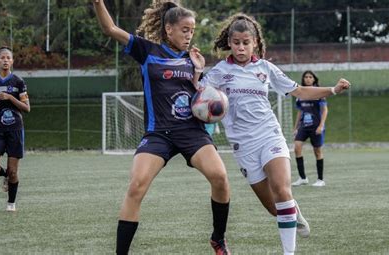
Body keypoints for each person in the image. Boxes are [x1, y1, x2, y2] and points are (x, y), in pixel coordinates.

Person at [191, 13, 350, 254]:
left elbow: (300, 91)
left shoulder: (266, 68)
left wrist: (333, 89)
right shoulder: (221, 71)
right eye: (236, 42)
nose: (241, 47)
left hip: (269, 135)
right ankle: (294, 212)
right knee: (275, 209)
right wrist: (198, 71)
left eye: (246, 42)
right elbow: (198, 93)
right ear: (229, 43)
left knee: (283, 190)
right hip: (243, 145)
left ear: (255, 42)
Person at [92, 1, 231, 254]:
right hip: (159, 133)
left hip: (191, 132)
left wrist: (199, 73)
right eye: (185, 29)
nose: (189, 35)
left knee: (220, 178)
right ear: (169, 29)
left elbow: (201, 97)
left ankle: (218, 239)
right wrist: (98, 3)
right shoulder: (148, 51)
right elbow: (110, 28)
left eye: (192, 30)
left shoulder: (194, 59)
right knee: (136, 186)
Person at [0, 46, 30, 212]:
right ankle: (3, 175)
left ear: (12, 61)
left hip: (15, 130)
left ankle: (11, 203)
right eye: (2, 58)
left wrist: (11, 97)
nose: (5, 60)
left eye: (8, 58)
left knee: (13, 172)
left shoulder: (18, 82)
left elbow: (27, 108)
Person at [291, 70, 328, 187]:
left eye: (310, 77)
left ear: (314, 79)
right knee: (297, 147)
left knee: (317, 151)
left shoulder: (318, 93)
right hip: (303, 126)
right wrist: (295, 127)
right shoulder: (300, 94)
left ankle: (320, 179)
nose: (308, 79)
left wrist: (321, 125)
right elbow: (300, 111)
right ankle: (303, 178)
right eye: (306, 77)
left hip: (316, 126)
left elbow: (325, 110)